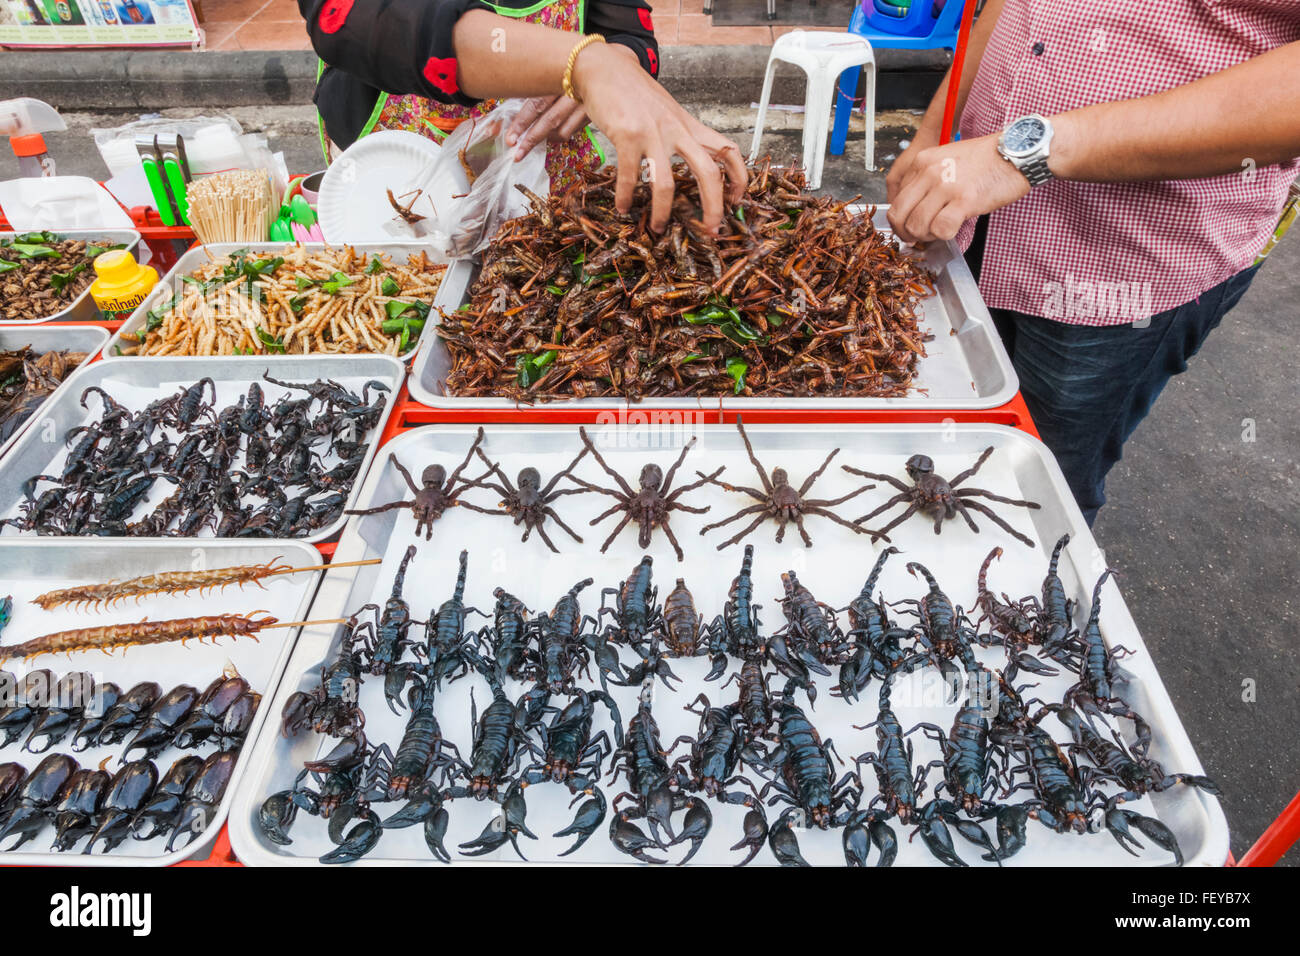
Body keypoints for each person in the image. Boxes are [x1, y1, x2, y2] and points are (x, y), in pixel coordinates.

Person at [884, 0, 1300, 523]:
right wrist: (935, 134)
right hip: (976, 219)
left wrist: (1024, 152)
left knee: (1042, 483)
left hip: (1126, 262)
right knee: (950, 405)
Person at [298, 0, 746, 231]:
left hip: (551, 204)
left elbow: (629, 31)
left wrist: (619, 61)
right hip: (390, 206)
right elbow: (354, 19)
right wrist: (583, 63)